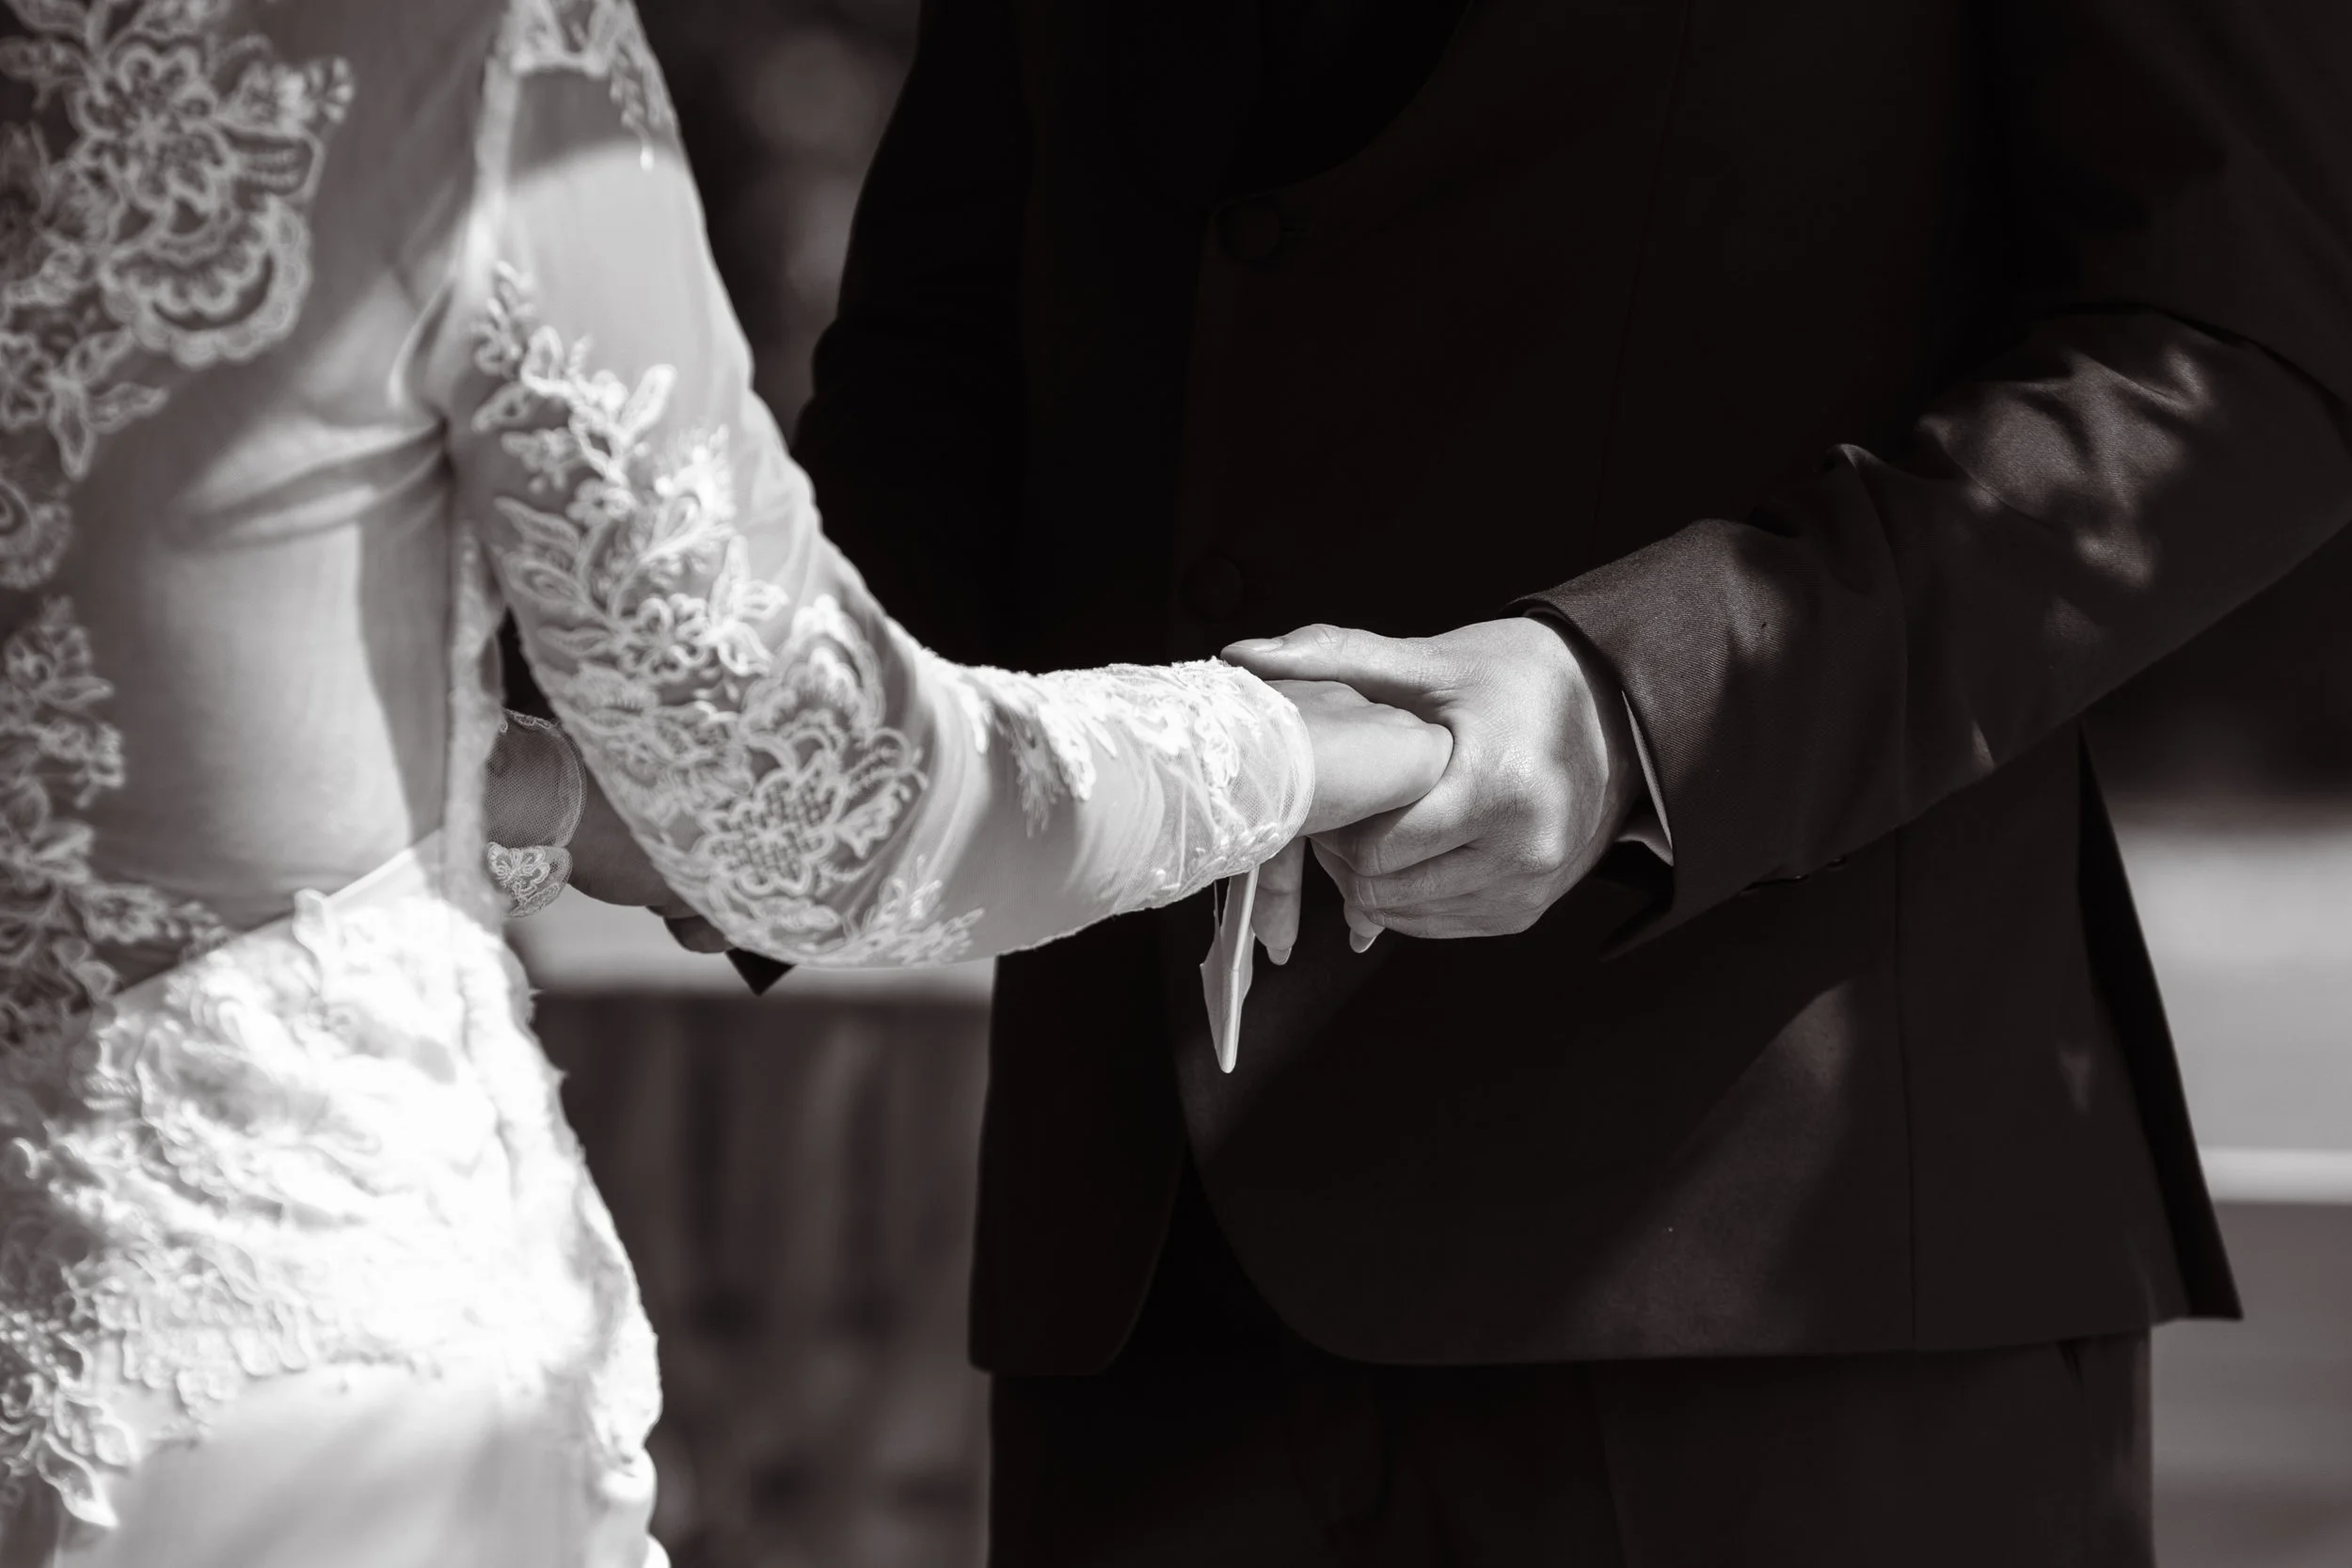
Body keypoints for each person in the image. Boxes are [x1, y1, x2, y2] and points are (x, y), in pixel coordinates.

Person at [789, 0, 2352, 1561]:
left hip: (1790, 1285)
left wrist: (1647, 695)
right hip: (1152, 1303)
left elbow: (2241, 342)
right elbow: (956, 332)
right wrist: (730, 746)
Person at [0, 1, 1452, 1563]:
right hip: (266, 1397)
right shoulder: (454, 59)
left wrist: (521, 790)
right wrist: (1307, 743)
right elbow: (813, 797)